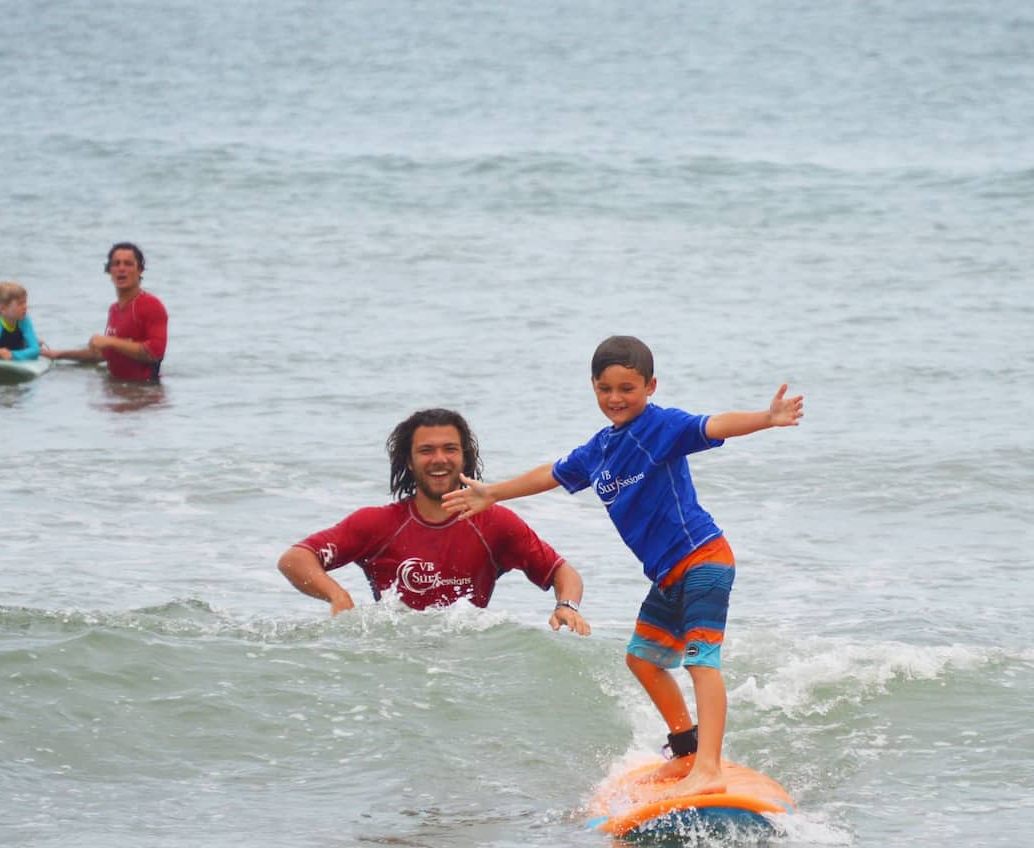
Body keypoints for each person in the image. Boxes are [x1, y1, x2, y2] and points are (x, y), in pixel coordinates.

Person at [442, 335, 803, 799]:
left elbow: (713, 425)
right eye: (605, 389)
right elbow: (551, 473)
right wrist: (493, 492)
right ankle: (687, 749)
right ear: (593, 387)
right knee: (642, 659)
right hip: (668, 574)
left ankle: (709, 767)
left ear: (650, 386)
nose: (616, 399)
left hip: (703, 558)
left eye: (627, 388)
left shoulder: (661, 427)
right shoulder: (600, 450)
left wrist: (766, 419)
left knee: (700, 659)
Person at [278, 408, 591, 634]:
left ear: (464, 458)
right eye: (426, 450)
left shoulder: (494, 524)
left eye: (450, 449)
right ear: (409, 462)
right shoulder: (376, 525)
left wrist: (567, 606)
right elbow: (295, 558)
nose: (439, 459)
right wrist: (337, 596)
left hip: (465, 661)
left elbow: (563, 572)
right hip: (395, 660)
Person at [41, 242, 167, 381]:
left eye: (128, 264)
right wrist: (59, 354)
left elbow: (154, 353)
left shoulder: (151, 305)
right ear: (109, 271)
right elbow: (104, 354)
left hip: (144, 392)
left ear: (140, 270)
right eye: (116, 264)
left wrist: (111, 341)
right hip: (117, 389)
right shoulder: (114, 309)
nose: (121, 268)